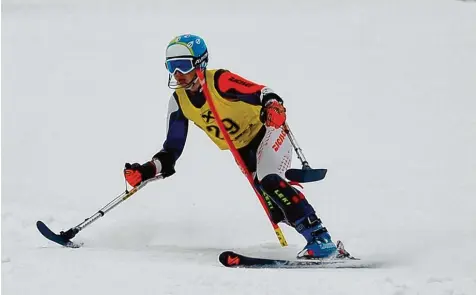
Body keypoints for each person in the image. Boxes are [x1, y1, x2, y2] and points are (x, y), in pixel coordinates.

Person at [124, 34, 338, 259]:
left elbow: (261, 92)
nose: (177, 74)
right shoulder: (179, 101)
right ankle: (315, 239)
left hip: (267, 132)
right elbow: (171, 151)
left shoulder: (219, 81)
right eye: (171, 67)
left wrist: (273, 106)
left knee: (269, 180)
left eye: (183, 66)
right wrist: (146, 170)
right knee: (275, 207)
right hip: (242, 150)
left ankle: (321, 240)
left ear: (199, 64)